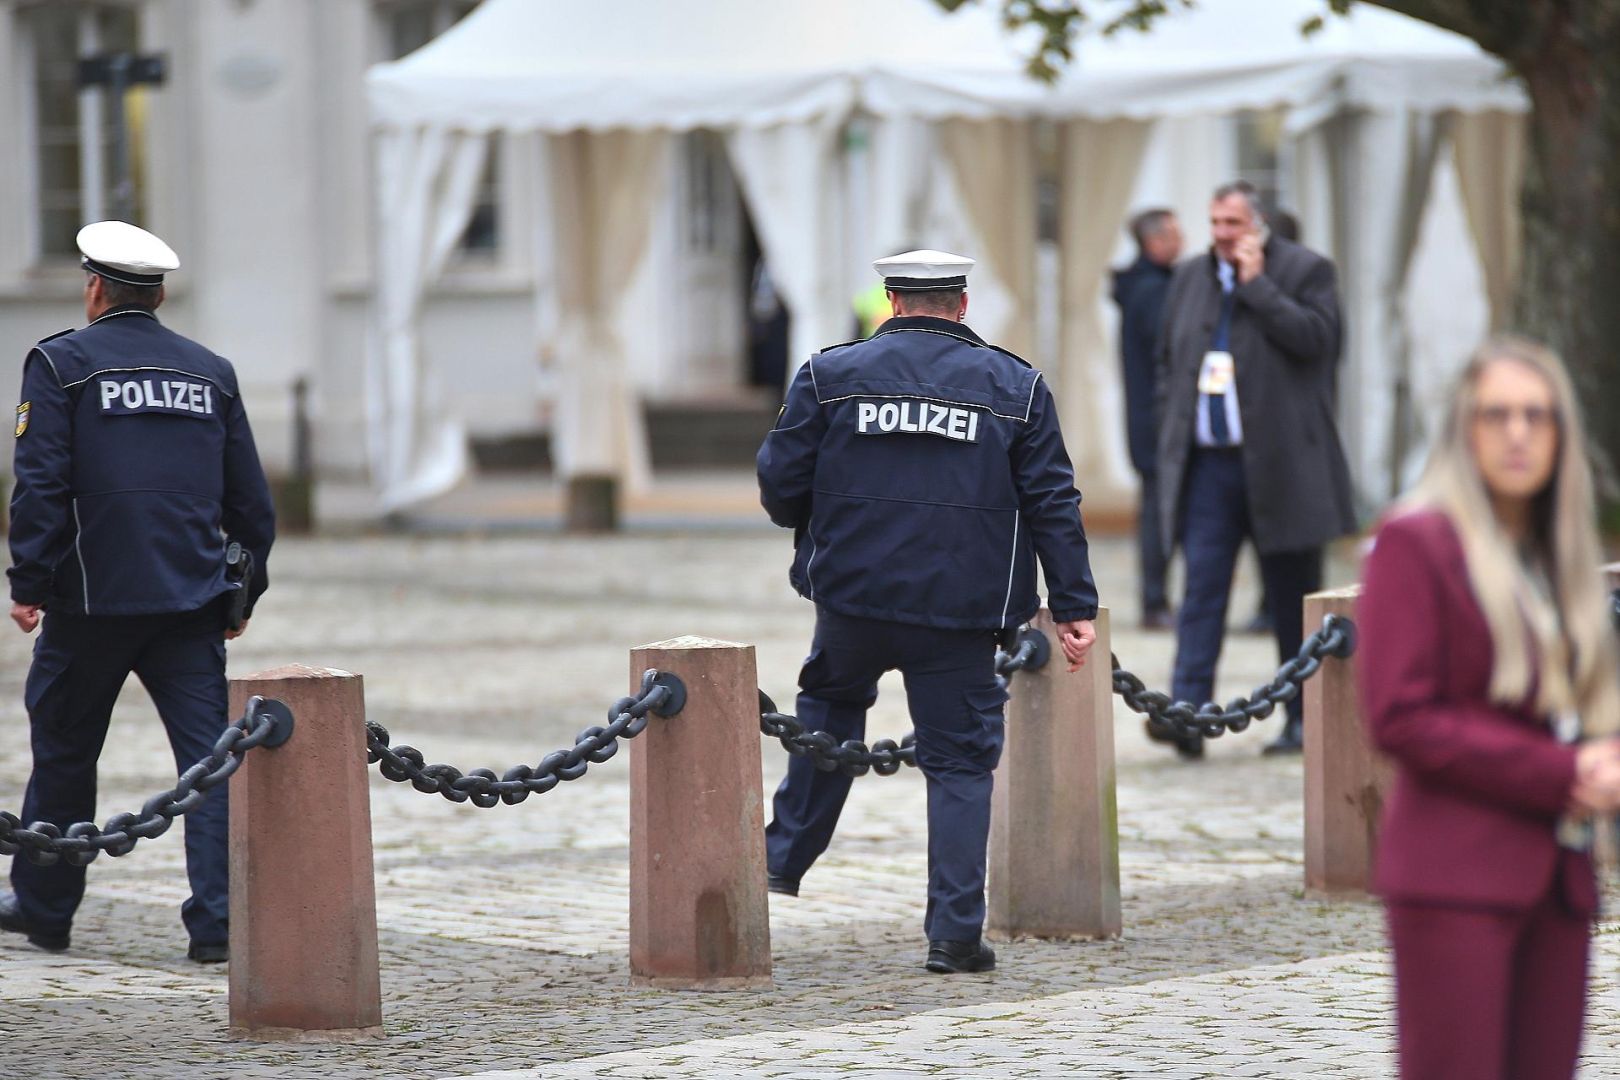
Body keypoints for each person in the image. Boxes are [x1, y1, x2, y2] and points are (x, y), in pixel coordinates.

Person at [757, 249, 1099, 974]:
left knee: (827, 717)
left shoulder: (829, 375)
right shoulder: (1017, 385)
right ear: (963, 305)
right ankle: (952, 935)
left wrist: (819, 523)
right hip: (961, 610)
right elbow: (1052, 504)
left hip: (851, 597)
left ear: (890, 300)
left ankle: (780, 861)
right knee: (961, 764)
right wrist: (1073, 605)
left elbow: (779, 484)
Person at [1, 221, 275, 962]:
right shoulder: (210, 371)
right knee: (209, 765)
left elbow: (41, 484)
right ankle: (219, 927)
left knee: (63, 750)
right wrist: (240, 596)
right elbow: (251, 504)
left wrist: (28, 580)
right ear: (158, 294)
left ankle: (47, 907)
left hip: (88, 602)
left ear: (94, 288)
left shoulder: (61, 364)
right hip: (187, 604)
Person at [1356, 336, 1620, 1080]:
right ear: (1463, 430)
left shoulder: (1557, 554)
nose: (1517, 433)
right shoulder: (1415, 542)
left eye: (1537, 416)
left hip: (1560, 878)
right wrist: (1563, 773)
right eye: (1496, 414)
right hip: (1456, 878)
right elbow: (1400, 716)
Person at [1154, 180, 1354, 759]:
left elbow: (1316, 342)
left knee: (1294, 596)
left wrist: (1257, 285)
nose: (1221, 234)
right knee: (1202, 591)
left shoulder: (1307, 270)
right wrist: (1172, 425)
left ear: (1260, 226)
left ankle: (1301, 719)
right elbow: (1168, 359)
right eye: (1215, 222)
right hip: (1210, 467)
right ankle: (1186, 715)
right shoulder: (1190, 275)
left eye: (1232, 224)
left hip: (1283, 465)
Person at [1112, 208, 1182, 630]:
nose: (1182, 241)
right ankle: (1155, 601)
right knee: (1159, 513)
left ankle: (1157, 600)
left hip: (1148, 417)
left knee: (1158, 509)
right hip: (1158, 419)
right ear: (1153, 242)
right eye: (1173, 234)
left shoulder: (1145, 285)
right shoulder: (1152, 292)